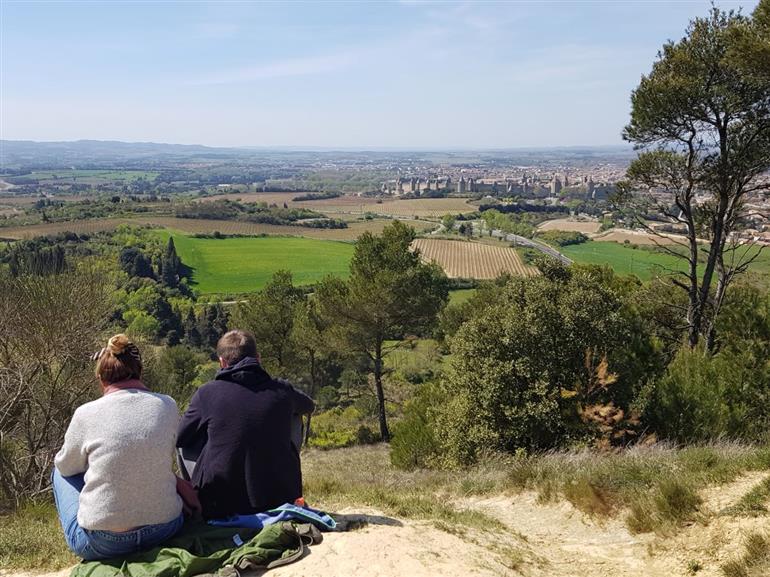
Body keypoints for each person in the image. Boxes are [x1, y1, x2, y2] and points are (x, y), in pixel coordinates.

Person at [52, 335, 187, 561]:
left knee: (58, 472)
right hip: (165, 528)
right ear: (140, 372)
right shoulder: (168, 405)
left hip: (105, 543)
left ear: (101, 378)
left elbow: (66, 468)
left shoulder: (86, 413)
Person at [177, 329, 315, 519]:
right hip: (278, 500)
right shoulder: (282, 389)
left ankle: (196, 502)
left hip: (219, 504)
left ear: (222, 362)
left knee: (185, 442)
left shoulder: (207, 393)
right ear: (258, 359)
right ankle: (285, 487)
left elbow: (181, 437)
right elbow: (309, 406)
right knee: (294, 415)